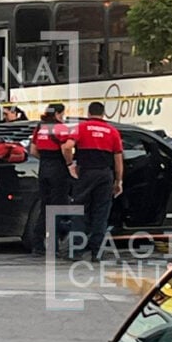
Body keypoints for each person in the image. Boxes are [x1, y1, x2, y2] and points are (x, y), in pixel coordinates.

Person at [61, 101, 124, 261]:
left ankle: (76, 252)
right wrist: (118, 181)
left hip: (86, 173)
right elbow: (118, 160)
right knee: (101, 214)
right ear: (103, 114)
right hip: (105, 175)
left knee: (80, 212)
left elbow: (67, 146)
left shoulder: (81, 128)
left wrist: (70, 165)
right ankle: (97, 253)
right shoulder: (112, 131)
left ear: (89, 113)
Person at [28, 103, 72, 256]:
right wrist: (69, 163)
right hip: (58, 169)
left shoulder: (40, 127)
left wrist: (45, 160)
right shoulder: (60, 128)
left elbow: (33, 150)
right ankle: (54, 246)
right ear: (59, 114)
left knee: (45, 207)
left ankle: (37, 244)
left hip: (43, 168)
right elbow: (66, 148)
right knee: (58, 207)